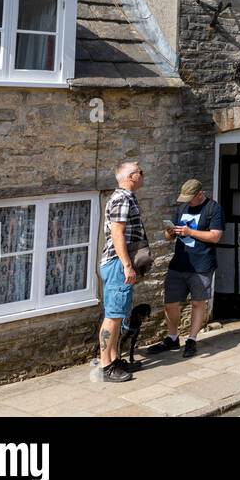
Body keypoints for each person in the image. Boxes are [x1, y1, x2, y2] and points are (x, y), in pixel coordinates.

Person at [149, 179, 224, 359]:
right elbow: (169, 237)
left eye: (190, 198)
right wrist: (170, 232)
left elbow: (215, 236)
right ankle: (172, 337)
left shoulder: (213, 209)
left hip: (202, 265)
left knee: (198, 302)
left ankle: (191, 339)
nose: (188, 202)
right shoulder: (182, 208)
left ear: (200, 194)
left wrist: (190, 232)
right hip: (179, 263)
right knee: (170, 302)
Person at [98, 160, 147, 382]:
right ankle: (105, 365)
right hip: (118, 264)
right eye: (140, 172)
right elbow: (117, 234)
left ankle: (114, 358)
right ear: (130, 177)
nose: (143, 175)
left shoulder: (127, 198)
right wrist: (127, 265)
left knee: (119, 315)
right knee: (113, 315)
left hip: (121, 264)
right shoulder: (121, 199)